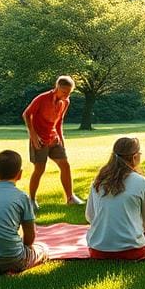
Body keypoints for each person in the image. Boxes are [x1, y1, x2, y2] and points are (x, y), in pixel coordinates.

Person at [85, 136, 145, 259]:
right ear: (135, 157)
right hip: (131, 251)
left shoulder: (98, 181)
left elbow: (90, 216)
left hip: (97, 250)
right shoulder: (142, 182)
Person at [0, 149, 48, 275]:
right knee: (43, 250)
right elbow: (30, 236)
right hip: (13, 257)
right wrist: (25, 247)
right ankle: (12, 268)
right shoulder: (22, 197)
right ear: (20, 174)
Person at [22, 75, 84, 209]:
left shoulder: (66, 101)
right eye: (64, 92)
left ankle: (70, 198)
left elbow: (59, 121)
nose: (66, 95)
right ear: (57, 87)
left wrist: (61, 139)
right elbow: (26, 114)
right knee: (39, 169)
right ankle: (31, 200)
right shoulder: (42, 98)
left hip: (54, 138)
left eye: (69, 93)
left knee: (65, 165)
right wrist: (33, 135)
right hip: (39, 139)